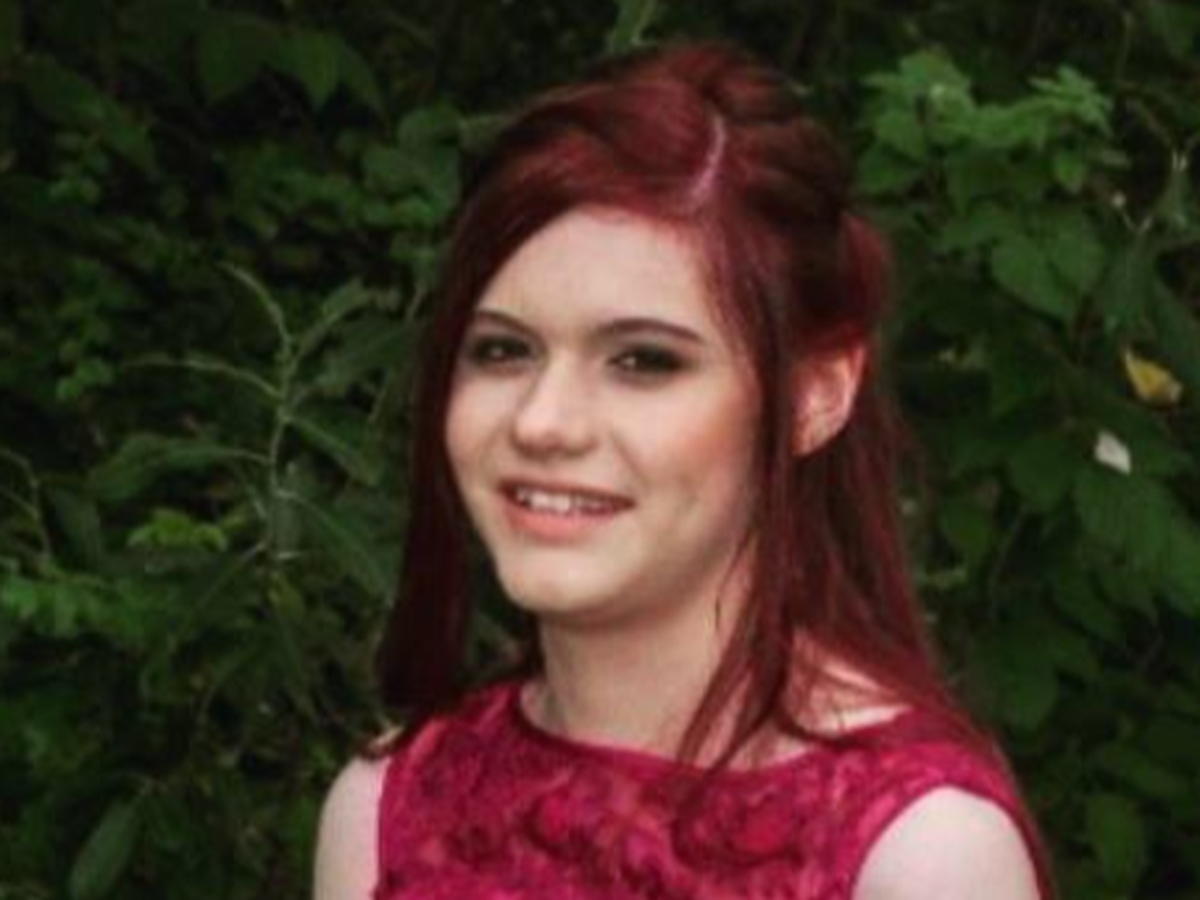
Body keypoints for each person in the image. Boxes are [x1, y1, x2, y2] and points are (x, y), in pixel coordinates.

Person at [313, 39, 1051, 900]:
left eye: (644, 361)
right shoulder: (385, 811)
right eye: (503, 350)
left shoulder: (922, 858)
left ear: (815, 394)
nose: (542, 422)